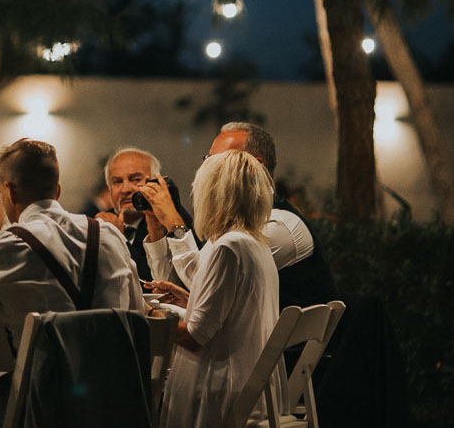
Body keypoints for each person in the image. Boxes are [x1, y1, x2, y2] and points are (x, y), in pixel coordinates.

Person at [0, 138, 146, 428]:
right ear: (58, 190)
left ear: (10, 191)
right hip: (111, 401)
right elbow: (138, 315)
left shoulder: (1, 247)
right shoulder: (108, 235)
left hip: (42, 402)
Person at [141, 121, 338, 309]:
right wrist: (157, 227)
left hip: (280, 334)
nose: (205, 169)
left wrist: (175, 224)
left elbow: (204, 287)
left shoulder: (280, 226)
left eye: (218, 161)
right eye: (207, 159)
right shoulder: (232, 223)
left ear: (253, 166)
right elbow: (180, 289)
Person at [156, 150, 281, 428]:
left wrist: (146, 315)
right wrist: (190, 300)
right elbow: (237, 311)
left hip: (219, 392)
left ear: (213, 195)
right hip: (250, 384)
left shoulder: (228, 247)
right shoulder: (254, 244)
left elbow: (195, 337)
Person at [95, 146, 194, 283]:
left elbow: (153, 283)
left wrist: (119, 240)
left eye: (135, 179)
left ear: (154, 183)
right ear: (109, 189)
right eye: (117, 182)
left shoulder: (172, 218)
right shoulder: (104, 221)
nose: (125, 189)